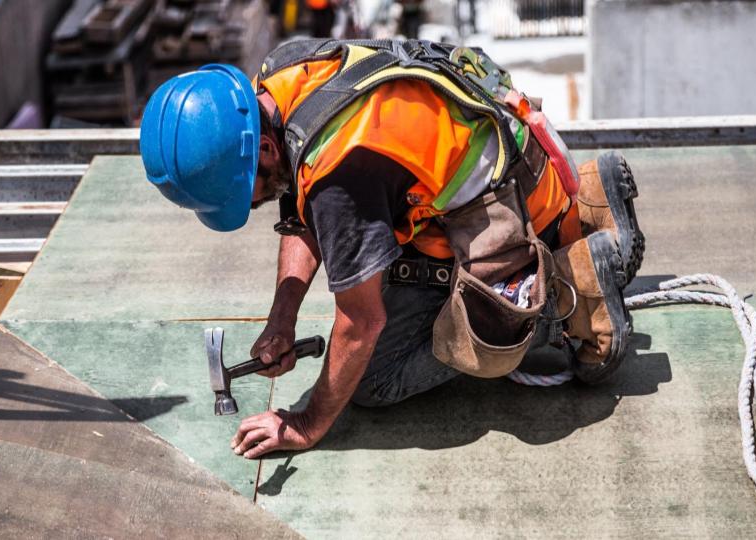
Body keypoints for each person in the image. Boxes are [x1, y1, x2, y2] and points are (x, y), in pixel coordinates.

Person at [139, 39, 645, 460]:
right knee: (366, 267)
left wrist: (307, 423)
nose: (248, 208)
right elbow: (300, 207)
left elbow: (361, 323)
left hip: (510, 218)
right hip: (518, 166)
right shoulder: (283, 76)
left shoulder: (340, 173)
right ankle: (591, 202)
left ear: (265, 149)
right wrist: (282, 318)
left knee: (374, 380)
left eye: (242, 195)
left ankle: (568, 291)